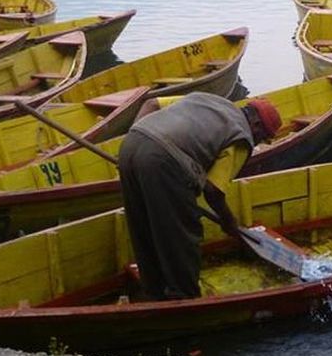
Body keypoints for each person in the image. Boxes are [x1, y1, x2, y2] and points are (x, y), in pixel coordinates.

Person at [118, 91, 282, 300]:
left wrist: (139, 140)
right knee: (182, 235)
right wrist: (228, 221)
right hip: (163, 163)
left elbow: (151, 104)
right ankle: (184, 298)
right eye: (263, 138)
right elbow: (213, 190)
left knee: (144, 229)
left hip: (131, 143)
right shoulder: (242, 137)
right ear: (257, 126)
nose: (258, 142)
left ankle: (152, 294)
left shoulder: (209, 98)